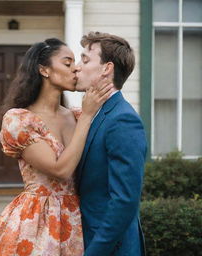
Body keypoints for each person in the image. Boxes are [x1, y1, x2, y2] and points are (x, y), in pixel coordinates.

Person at [0, 38, 113, 256]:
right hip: (36, 221)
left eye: (77, 63)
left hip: (77, 217)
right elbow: (60, 170)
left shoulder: (77, 115)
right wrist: (88, 116)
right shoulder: (19, 119)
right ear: (44, 70)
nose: (76, 68)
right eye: (67, 63)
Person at [75, 32, 147, 256]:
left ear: (106, 68)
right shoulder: (93, 114)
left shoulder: (123, 119)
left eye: (85, 60)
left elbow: (125, 200)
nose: (77, 67)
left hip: (110, 248)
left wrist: (94, 252)